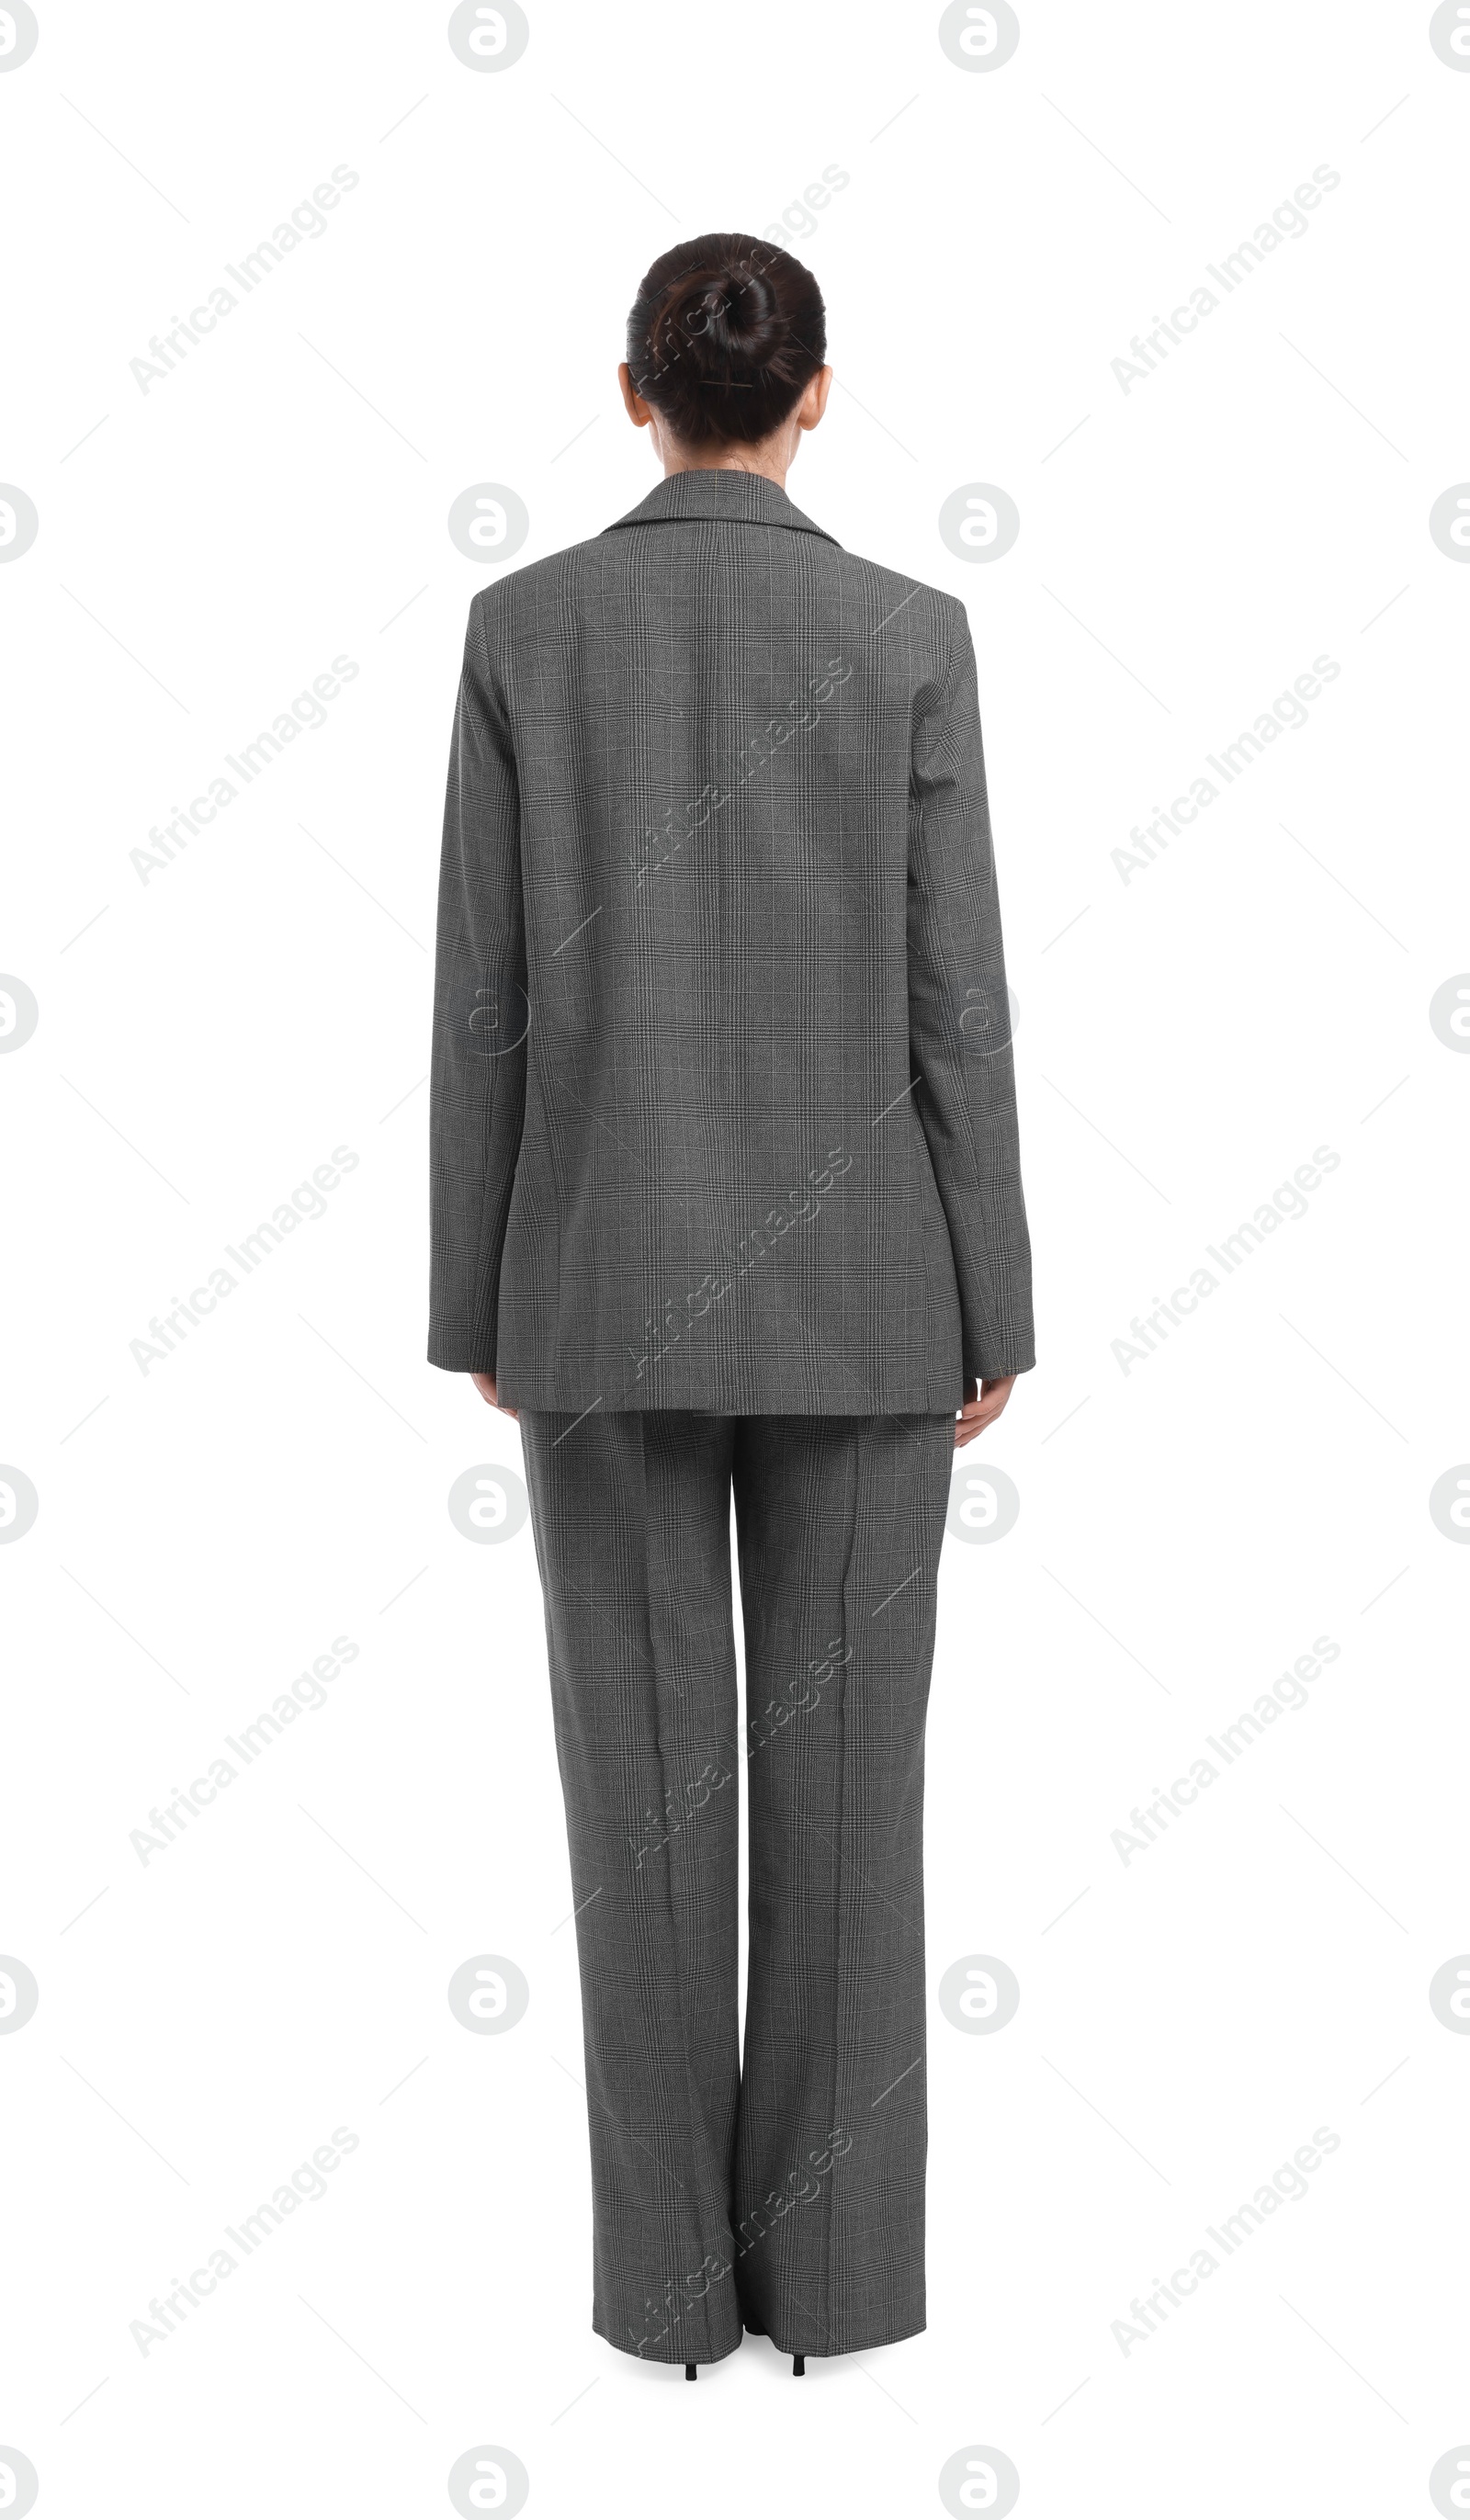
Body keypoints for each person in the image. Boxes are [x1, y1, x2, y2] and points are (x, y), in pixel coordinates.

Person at [428, 232, 1034, 2377]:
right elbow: (949, 988)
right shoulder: (904, 636)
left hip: (590, 1282)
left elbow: (479, 998)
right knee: (854, 1795)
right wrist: (995, 1294)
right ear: (816, 394)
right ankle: (838, 2296)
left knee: (640, 1800)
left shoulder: (523, 629)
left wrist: (471, 1287)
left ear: (629, 393)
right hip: (873, 1296)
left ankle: (668, 2303)